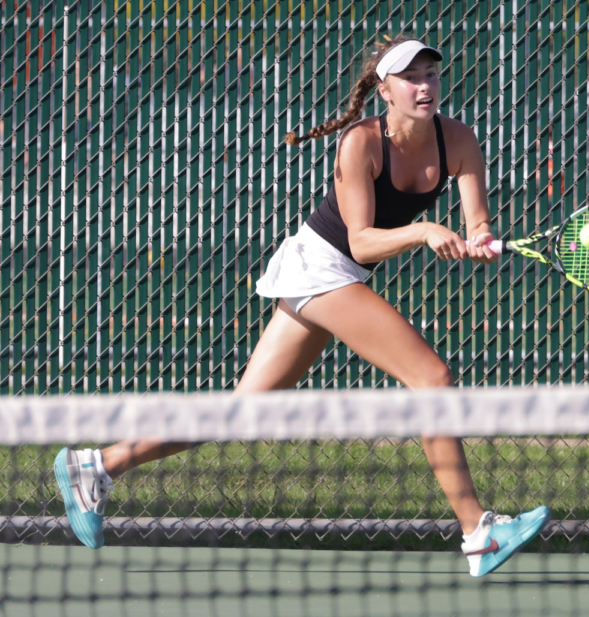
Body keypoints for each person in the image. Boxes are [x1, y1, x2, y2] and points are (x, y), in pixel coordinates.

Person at [54, 36, 550, 577]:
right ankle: (478, 532)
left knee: (241, 414)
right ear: (385, 90)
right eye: (411, 77)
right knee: (432, 378)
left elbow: (476, 219)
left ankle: (96, 466)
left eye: (431, 73)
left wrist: (478, 238)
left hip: (338, 274)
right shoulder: (359, 144)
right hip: (320, 267)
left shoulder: (458, 139)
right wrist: (425, 231)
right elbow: (359, 241)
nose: (425, 85)